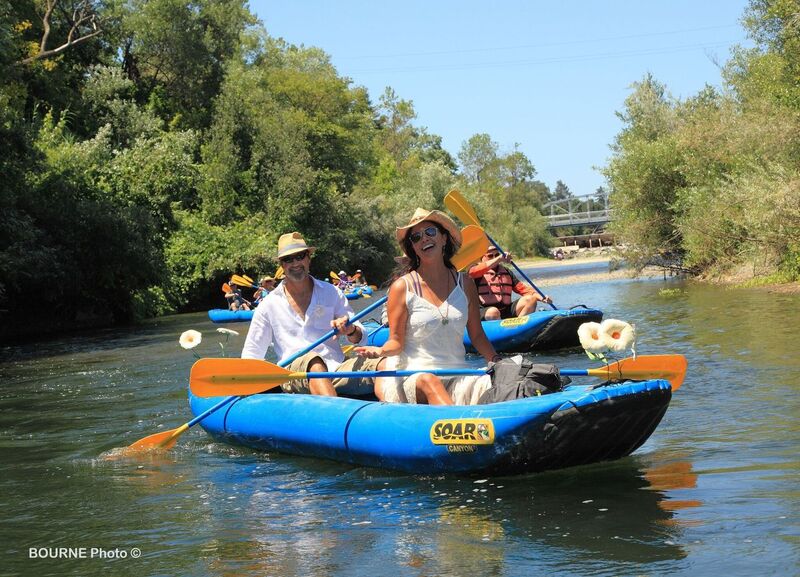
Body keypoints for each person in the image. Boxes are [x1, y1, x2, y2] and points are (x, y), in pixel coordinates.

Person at [355, 208, 501, 405]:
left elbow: (477, 335)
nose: (424, 238)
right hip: (414, 376)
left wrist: (497, 361)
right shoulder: (401, 287)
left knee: (502, 382)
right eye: (416, 237)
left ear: (444, 238)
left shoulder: (465, 283)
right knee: (429, 381)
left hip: (458, 374)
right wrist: (380, 352)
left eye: (430, 232)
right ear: (413, 248)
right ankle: (456, 422)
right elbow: (395, 342)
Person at [241, 232, 386, 397]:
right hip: (294, 374)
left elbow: (361, 338)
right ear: (282, 265)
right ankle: (334, 411)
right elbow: (252, 354)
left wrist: (350, 329)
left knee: (384, 364)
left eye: (300, 256)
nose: (295, 263)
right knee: (314, 362)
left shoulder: (332, 292)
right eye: (288, 259)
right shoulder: (268, 305)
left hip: (336, 367)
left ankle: (394, 410)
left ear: (308, 258)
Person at [468, 245, 552, 321]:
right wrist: (499, 258)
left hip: (506, 310)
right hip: (485, 312)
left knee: (531, 299)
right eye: (490, 256)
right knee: (493, 312)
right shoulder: (475, 270)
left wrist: (542, 298)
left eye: (496, 255)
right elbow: (472, 273)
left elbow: (523, 289)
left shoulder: (506, 272)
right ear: (482, 258)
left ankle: (518, 326)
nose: (494, 257)